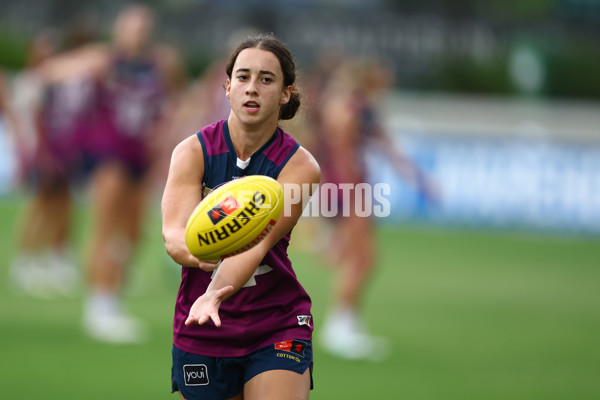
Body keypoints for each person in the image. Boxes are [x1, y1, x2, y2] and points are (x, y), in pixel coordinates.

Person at [161, 33, 320, 400]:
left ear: (285, 93)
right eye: (244, 77)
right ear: (228, 86)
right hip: (201, 323)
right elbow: (173, 235)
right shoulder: (192, 151)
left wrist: (215, 292)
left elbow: (258, 242)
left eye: (266, 79)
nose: (253, 88)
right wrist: (201, 259)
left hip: (276, 322)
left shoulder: (299, 166)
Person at [38, 4, 186, 342]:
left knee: (133, 232)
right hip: (109, 152)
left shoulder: (161, 63)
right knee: (107, 226)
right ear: (119, 28)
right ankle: (100, 304)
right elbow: (52, 71)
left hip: (141, 155)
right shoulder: (104, 59)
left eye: (142, 26)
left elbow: (178, 98)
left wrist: (166, 132)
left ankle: (112, 296)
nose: (137, 32)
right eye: (131, 26)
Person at [315, 58, 438, 361]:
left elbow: (389, 148)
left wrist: (420, 181)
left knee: (359, 259)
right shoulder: (348, 111)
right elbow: (343, 159)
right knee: (363, 259)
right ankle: (339, 328)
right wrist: (353, 198)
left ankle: (347, 323)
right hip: (348, 189)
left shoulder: (365, 109)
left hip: (354, 188)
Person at [8, 28, 85, 297]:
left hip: (61, 151)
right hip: (42, 152)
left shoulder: (58, 81)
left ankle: (50, 256)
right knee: (39, 206)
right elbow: (34, 121)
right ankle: (25, 260)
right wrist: (39, 153)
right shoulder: (33, 82)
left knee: (61, 206)